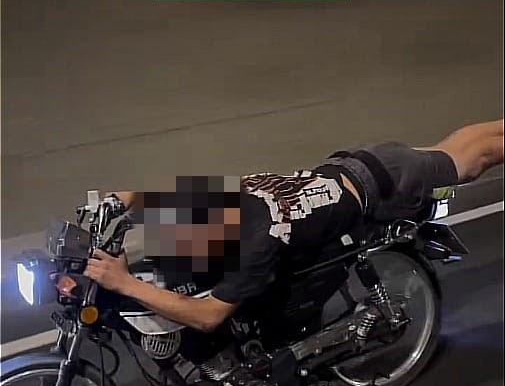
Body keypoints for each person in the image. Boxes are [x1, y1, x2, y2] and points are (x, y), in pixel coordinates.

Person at [84, 119, 504, 332]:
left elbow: (208, 316)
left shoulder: (259, 240)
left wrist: (125, 283)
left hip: (384, 184)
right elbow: (144, 197)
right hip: (357, 164)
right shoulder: (225, 202)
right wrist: (116, 202)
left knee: (475, 160)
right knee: (459, 148)